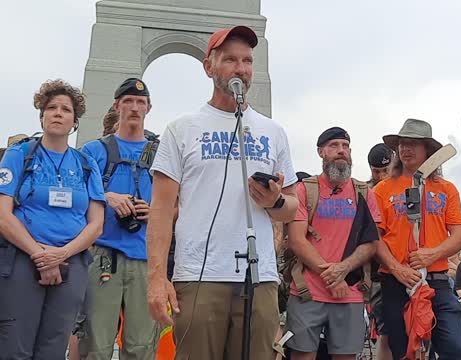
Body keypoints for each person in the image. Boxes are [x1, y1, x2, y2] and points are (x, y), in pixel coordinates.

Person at [146, 25, 299, 359]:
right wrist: (157, 278)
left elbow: (292, 208)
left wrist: (274, 201)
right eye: (230, 59)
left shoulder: (272, 131)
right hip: (199, 276)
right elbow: (160, 211)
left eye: (247, 60)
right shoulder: (181, 129)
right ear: (209, 66)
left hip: (259, 277)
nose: (240, 69)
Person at [0, 79, 105, 359]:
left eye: (66, 109)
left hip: (72, 261)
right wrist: (39, 254)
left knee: (54, 345)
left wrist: (61, 255)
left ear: (75, 121)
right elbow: (3, 214)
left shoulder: (86, 163)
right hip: (22, 259)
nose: (58, 113)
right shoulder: (18, 155)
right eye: (51, 107)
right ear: (42, 115)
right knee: (15, 345)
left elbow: (96, 223)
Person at [374, 119, 461, 360]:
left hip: (436, 280)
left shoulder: (447, 189)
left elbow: (459, 236)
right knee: (404, 351)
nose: (406, 149)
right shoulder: (382, 190)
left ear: (428, 150)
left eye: (414, 144)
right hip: (395, 281)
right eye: (402, 144)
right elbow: (375, 238)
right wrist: (397, 269)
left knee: (455, 347)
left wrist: (433, 253)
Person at [78, 78, 158, 359]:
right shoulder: (94, 151)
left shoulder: (160, 154)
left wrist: (156, 212)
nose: (134, 107)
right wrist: (109, 197)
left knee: (141, 346)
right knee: (96, 344)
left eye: (140, 102)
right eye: (128, 101)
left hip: (147, 258)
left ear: (149, 107)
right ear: (117, 105)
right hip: (104, 254)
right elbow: (79, 197)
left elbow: (180, 203)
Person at [285, 127, 380, 360]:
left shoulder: (364, 192)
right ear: (321, 152)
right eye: (334, 146)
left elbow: (372, 242)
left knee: (346, 356)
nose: (341, 151)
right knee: (302, 355)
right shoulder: (305, 189)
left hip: (350, 291)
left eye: (345, 146)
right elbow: (296, 240)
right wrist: (331, 275)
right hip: (307, 290)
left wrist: (343, 269)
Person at [365, 142, 393, 360]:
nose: (382, 175)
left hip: (407, 268)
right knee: (385, 333)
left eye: (386, 170)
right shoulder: (365, 192)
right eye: (377, 171)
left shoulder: (405, 187)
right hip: (377, 273)